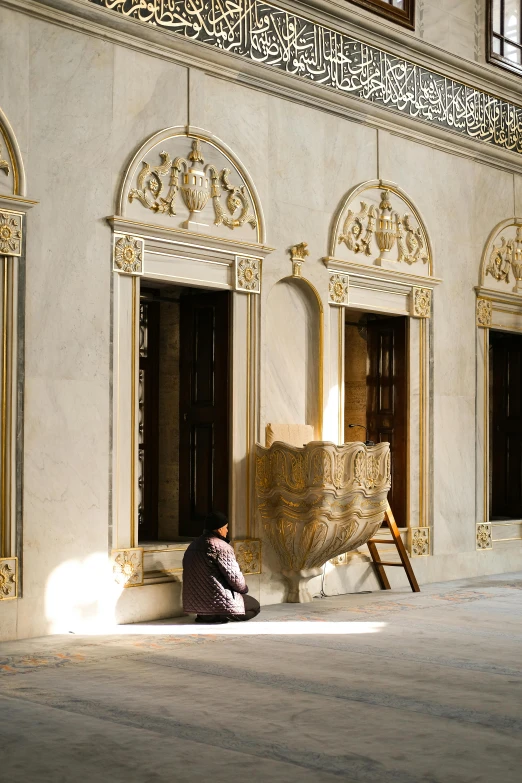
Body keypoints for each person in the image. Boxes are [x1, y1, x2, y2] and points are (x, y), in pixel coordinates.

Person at [182, 511, 261, 624]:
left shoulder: (193, 545)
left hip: (197, 606)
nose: (227, 531)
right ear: (219, 529)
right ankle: (223, 614)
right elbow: (236, 579)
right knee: (255, 606)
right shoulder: (223, 547)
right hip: (218, 604)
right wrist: (244, 590)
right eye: (226, 527)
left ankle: (208, 615)